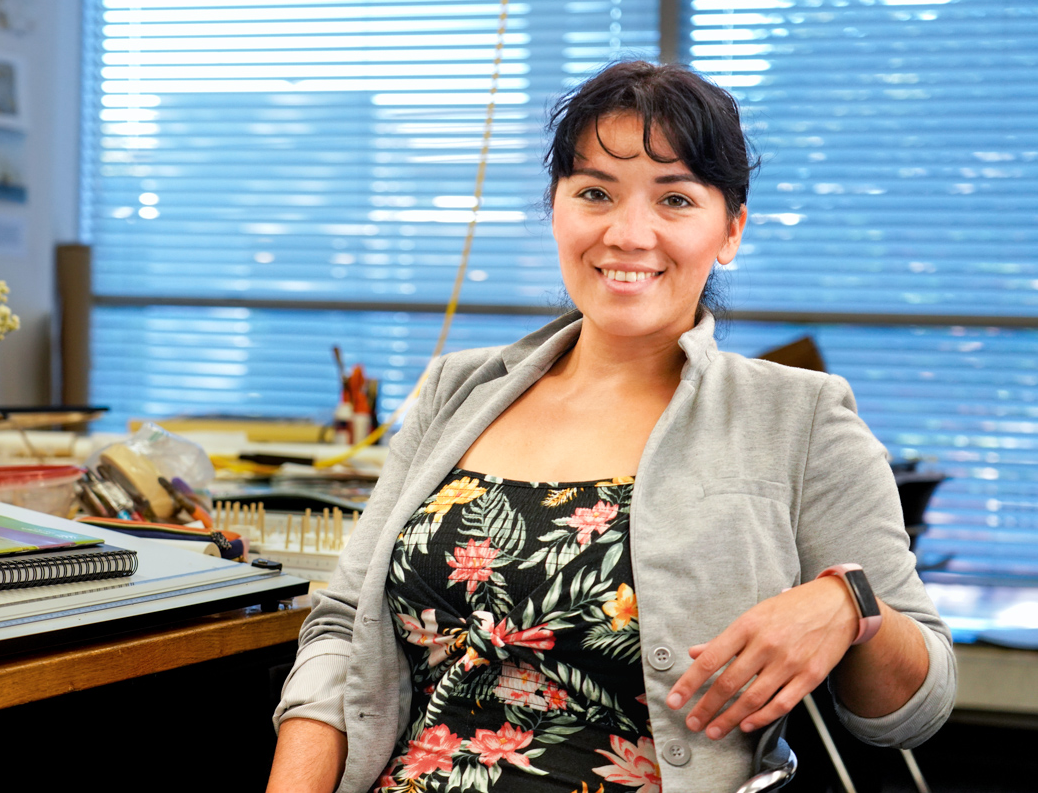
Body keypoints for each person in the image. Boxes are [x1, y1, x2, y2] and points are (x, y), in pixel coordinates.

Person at [265, 61, 955, 793]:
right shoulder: (455, 390)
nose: (629, 234)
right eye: (595, 192)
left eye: (676, 199)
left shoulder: (799, 416)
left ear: (731, 229)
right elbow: (341, 629)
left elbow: (912, 711)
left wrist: (849, 605)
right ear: (555, 209)